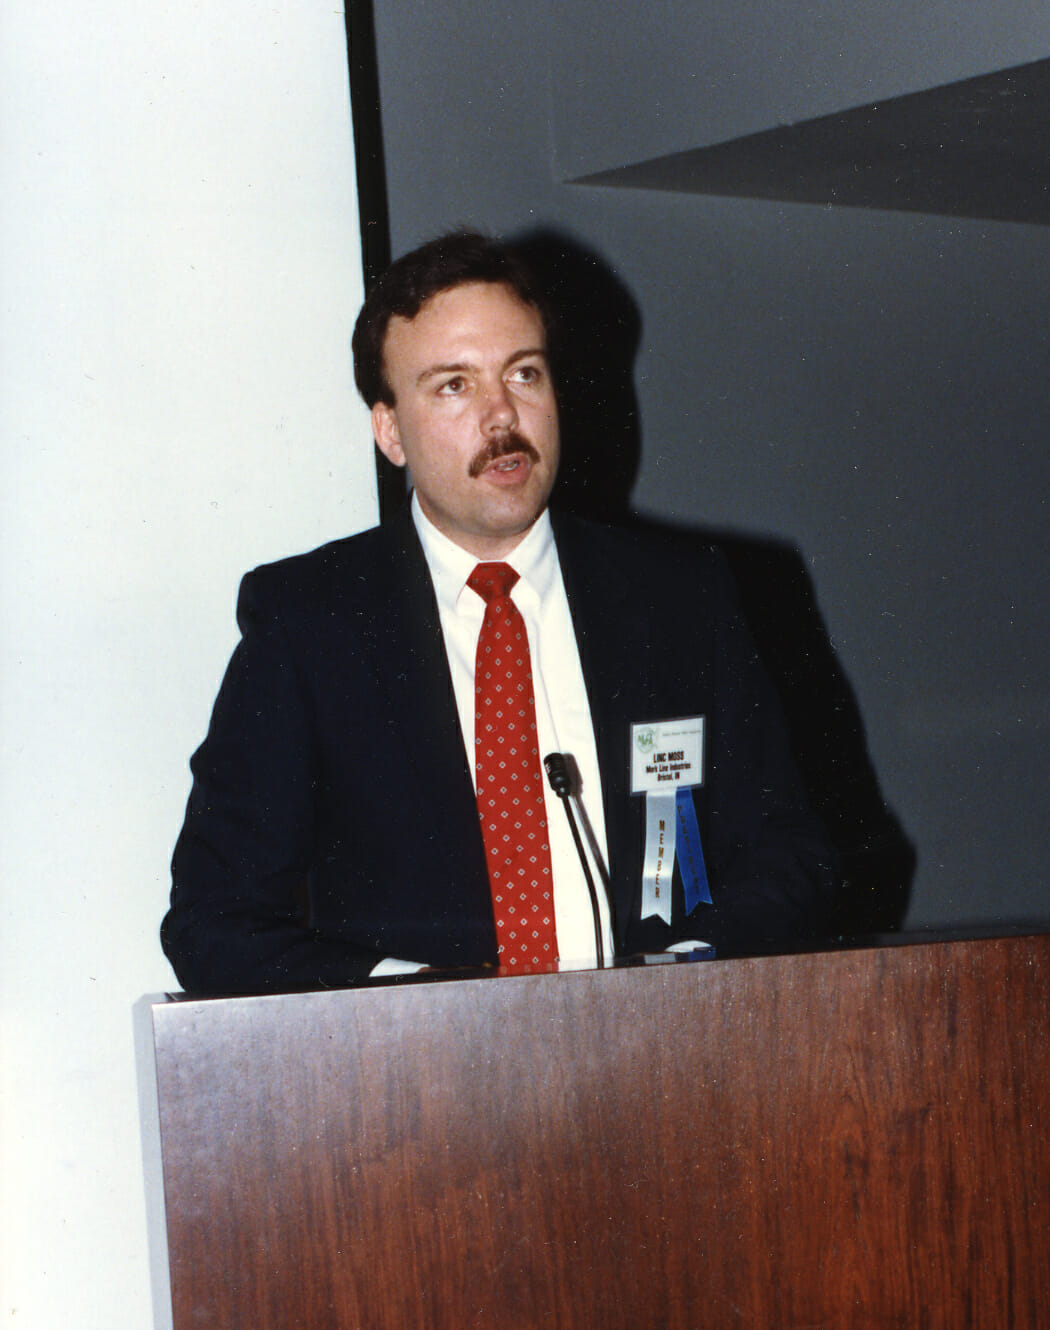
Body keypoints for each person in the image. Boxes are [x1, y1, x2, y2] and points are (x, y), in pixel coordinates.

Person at [161, 231, 837, 993]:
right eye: (453, 385)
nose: (501, 416)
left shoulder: (682, 597)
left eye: (524, 374)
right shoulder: (310, 624)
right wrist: (410, 1000)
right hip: (423, 1083)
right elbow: (214, 921)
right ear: (389, 430)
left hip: (665, 1066)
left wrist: (679, 978)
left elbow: (791, 854)